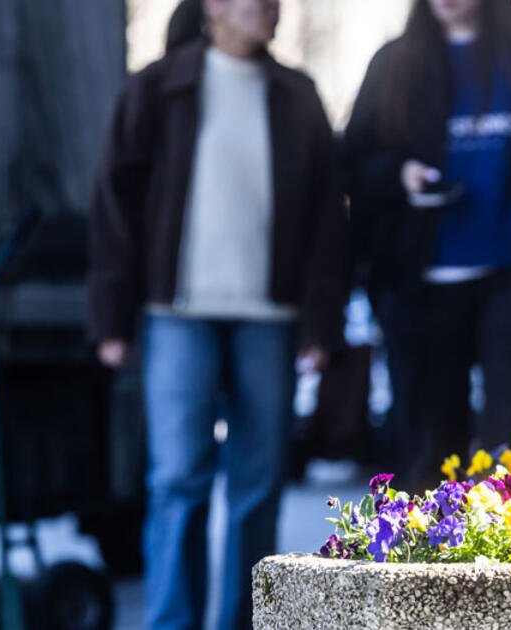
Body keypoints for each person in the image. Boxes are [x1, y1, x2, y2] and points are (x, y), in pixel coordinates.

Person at [86, 0, 347, 627]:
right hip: (177, 315)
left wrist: (320, 323)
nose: (269, 7)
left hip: (272, 317)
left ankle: (240, 622)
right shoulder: (157, 89)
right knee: (179, 479)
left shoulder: (298, 95)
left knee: (258, 485)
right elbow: (115, 205)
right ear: (214, 8)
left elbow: (325, 219)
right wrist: (112, 318)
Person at [342, 0, 511, 491]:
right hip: (421, 285)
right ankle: (428, 566)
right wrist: (400, 174)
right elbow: (354, 164)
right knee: (427, 454)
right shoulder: (392, 62)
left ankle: (507, 566)